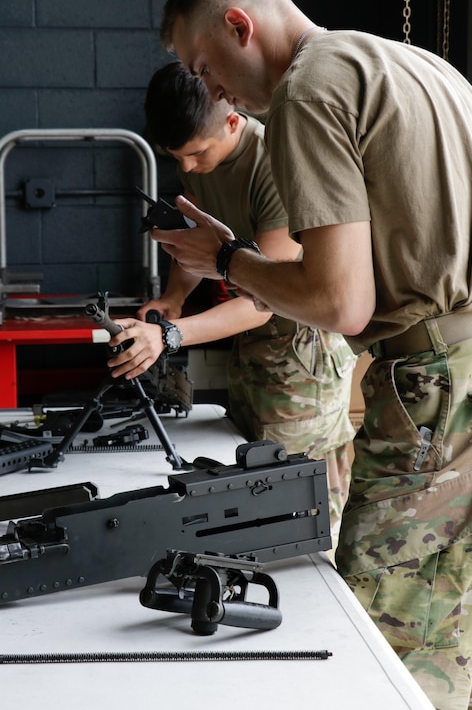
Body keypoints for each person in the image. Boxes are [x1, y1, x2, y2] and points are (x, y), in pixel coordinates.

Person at [150, 0, 472, 710]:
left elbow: (340, 303)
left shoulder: (308, 91)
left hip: (433, 384)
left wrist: (227, 257)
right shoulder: (416, 64)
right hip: (460, 364)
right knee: (448, 612)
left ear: (239, 25)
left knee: (378, 635)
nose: (212, 92)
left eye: (204, 67)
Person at [107, 61, 357, 547]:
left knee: (302, 506)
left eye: (195, 154)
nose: (187, 169)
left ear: (233, 121)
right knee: (252, 481)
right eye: (175, 158)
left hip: (302, 355)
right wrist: (173, 299)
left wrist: (170, 336)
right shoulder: (203, 160)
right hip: (251, 348)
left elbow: (270, 298)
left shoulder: (276, 163)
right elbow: (203, 244)